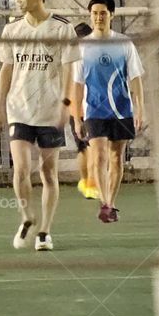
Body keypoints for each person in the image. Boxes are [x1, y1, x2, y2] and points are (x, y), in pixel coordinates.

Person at [0, 0, 79, 251]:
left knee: (49, 173)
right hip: (19, 109)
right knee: (20, 169)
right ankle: (26, 216)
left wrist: (67, 105)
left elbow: (69, 70)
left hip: (50, 111)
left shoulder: (62, 29)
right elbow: (6, 69)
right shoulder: (12, 30)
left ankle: (44, 231)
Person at [72, 0, 144, 223]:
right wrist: (76, 117)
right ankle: (104, 203)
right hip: (94, 110)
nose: (98, 17)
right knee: (99, 156)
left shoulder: (123, 44)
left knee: (116, 157)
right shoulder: (83, 47)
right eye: (94, 13)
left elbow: (135, 78)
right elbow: (77, 84)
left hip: (121, 110)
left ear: (111, 15)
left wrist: (139, 107)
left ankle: (111, 202)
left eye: (103, 13)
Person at [70, 23, 98, 200]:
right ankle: (92, 185)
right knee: (92, 148)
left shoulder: (69, 58)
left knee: (82, 148)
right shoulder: (89, 57)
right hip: (88, 108)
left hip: (73, 108)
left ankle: (84, 181)